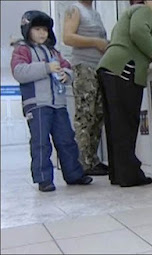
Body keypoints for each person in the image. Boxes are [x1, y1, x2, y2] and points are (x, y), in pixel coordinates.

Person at [11, 10, 93, 192]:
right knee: (41, 142)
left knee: (66, 140)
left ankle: (74, 174)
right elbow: (19, 72)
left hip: (59, 104)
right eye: (37, 29)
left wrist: (67, 75)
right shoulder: (22, 50)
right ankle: (44, 179)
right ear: (27, 30)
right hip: (37, 104)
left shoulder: (54, 52)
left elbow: (67, 68)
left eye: (45, 30)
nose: (42, 33)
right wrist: (46, 67)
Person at [97, 0, 152, 187]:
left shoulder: (129, 13)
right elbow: (137, 31)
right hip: (124, 69)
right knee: (126, 124)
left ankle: (118, 174)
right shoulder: (143, 10)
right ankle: (129, 175)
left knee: (115, 126)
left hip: (109, 68)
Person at [63, 0, 109, 176]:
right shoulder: (75, 9)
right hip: (84, 68)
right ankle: (81, 162)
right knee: (85, 115)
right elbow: (67, 37)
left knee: (97, 114)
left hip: (98, 67)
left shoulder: (94, 12)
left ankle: (91, 160)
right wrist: (96, 42)